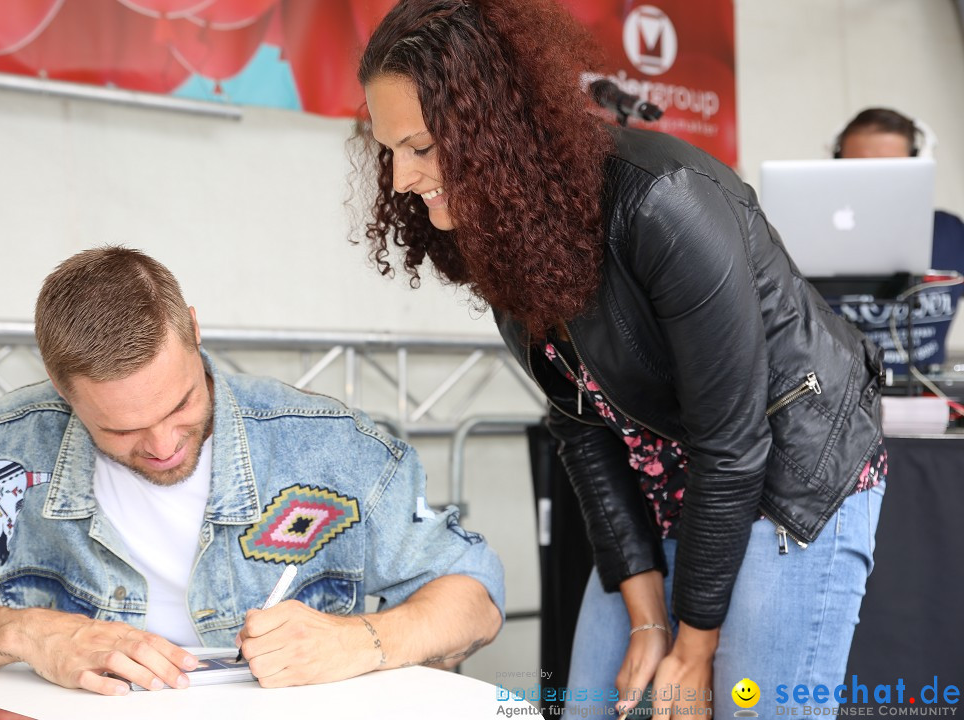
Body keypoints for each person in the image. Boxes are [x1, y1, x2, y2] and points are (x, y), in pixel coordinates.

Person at [353, 0, 886, 715]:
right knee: (595, 704)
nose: (399, 179)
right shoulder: (506, 228)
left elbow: (732, 443)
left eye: (419, 147)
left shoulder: (665, 201)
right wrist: (648, 619)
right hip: (675, 487)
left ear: (492, 130)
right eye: (389, 150)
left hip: (788, 476)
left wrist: (693, 650)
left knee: (745, 705)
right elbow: (579, 423)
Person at [0, 247, 504, 695]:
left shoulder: (328, 448)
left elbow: (474, 591)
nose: (161, 445)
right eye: (120, 430)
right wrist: (24, 632)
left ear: (196, 331)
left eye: (180, 404)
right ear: (61, 389)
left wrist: (360, 641)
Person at [833, 107, 964, 374]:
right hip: (840, 407)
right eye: (860, 170)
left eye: (892, 170)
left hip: (927, 403)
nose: (875, 182)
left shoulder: (950, 232)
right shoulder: (810, 244)